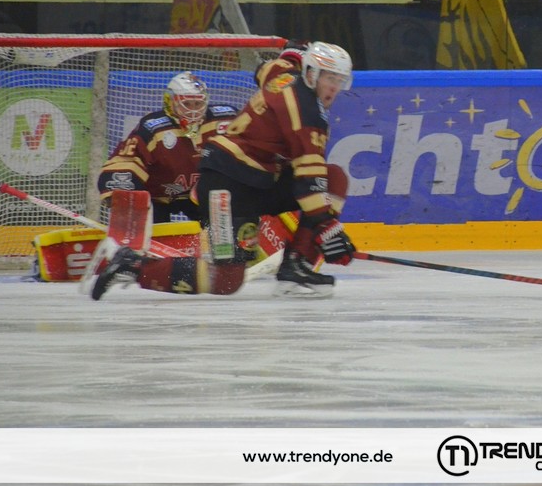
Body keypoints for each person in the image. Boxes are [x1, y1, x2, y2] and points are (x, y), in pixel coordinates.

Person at [87, 41, 356, 300]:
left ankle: (296, 267)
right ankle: (133, 266)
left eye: (339, 80)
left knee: (333, 177)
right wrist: (327, 228)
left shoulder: (284, 76)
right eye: (328, 78)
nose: (333, 87)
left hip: (256, 182)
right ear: (311, 73)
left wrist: (292, 56)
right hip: (226, 188)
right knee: (226, 279)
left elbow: (264, 69)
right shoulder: (308, 116)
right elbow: (309, 181)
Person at [97, 71, 238, 222]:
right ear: (170, 102)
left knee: (223, 220)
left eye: (197, 104)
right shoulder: (153, 127)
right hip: (157, 197)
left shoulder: (225, 120)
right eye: (187, 104)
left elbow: (249, 148)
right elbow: (128, 159)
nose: (193, 111)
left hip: (201, 194)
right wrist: (120, 192)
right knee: (150, 227)